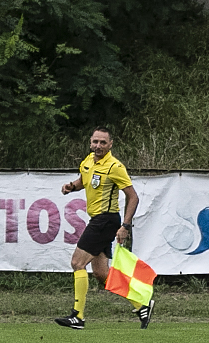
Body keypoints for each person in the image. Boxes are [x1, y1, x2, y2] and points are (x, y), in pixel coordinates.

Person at [54, 126, 153, 330]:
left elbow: (133, 196)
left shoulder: (115, 166)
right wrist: (71, 186)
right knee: (101, 273)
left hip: (105, 220)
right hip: (99, 220)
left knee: (77, 263)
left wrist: (125, 226)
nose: (98, 145)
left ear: (110, 144)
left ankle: (77, 316)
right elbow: (84, 180)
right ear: (90, 142)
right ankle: (141, 305)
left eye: (103, 142)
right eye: (95, 141)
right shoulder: (88, 161)